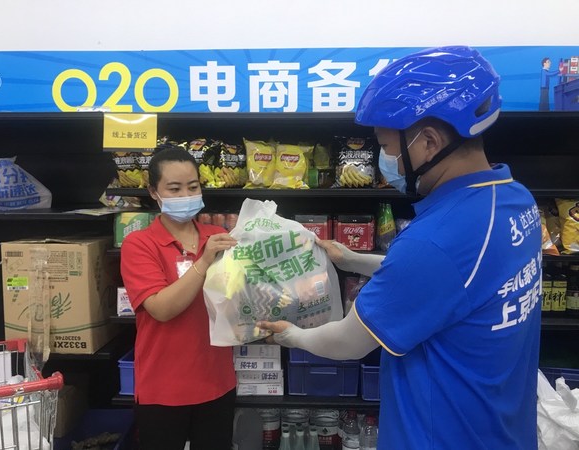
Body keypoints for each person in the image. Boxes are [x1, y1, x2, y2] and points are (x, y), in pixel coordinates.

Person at [258, 46, 542, 449]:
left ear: (428, 141)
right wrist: (352, 259)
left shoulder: (435, 240)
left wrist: (293, 337)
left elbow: (348, 342)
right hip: (501, 428)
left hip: (441, 436)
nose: (382, 159)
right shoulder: (514, 200)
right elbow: (452, 281)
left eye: (387, 146)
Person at [120, 147, 238, 450]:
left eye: (193, 186)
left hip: (217, 382)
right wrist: (204, 261)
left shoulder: (217, 235)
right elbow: (161, 308)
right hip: (163, 389)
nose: (186, 194)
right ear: (153, 192)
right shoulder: (140, 244)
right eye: (174, 188)